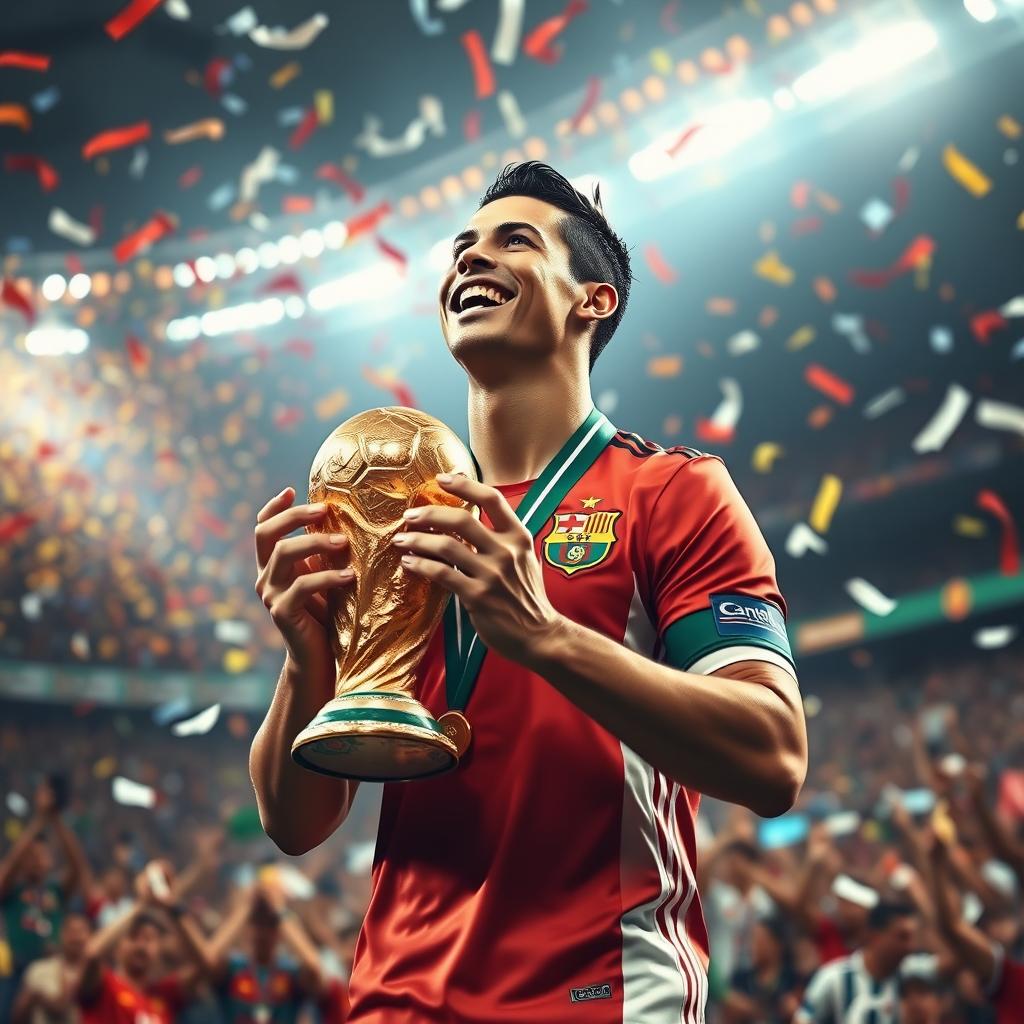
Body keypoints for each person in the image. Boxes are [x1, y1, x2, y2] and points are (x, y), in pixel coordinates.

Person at [250, 160, 807, 1023]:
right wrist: (305, 658)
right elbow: (296, 821)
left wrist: (544, 634)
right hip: (391, 1002)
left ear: (595, 300)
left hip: (597, 996)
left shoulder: (672, 492)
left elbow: (773, 758)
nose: (471, 259)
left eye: (516, 240)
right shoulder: (393, 512)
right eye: (462, 246)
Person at [74, 862, 212, 1024]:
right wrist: (141, 904)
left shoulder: (163, 995)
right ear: (117, 947)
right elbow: (91, 953)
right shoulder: (104, 985)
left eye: (149, 939)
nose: (141, 945)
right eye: (133, 937)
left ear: (159, 950)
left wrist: (173, 907)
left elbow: (205, 966)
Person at [0, 778, 89, 1022]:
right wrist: (38, 821)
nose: (37, 860)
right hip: (16, 971)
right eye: (31, 856)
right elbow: (7, 870)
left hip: (52, 969)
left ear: (51, 861)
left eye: (42, 855)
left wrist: (56, 820)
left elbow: (77, 866)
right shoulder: (13, 890)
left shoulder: (56, 890)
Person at [202, 878, 325, 1024]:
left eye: (270, 924)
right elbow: (205, 960)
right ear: (247, 926)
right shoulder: (233, 967)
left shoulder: (290, 971)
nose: (263, 932)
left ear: (279, 930)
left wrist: (279, 909)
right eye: (257, 922)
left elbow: (314, 966)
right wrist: (245, 908)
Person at [794, 901, 920, 1023]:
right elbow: (803, 1019)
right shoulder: (834, 977)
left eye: (913, 938)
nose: (910, 946)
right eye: (902, 937)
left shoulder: (911, 976)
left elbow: (938, 965)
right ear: (876, 936)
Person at [11, 910, 91, 1024]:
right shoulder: (38, 970)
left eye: (81, 931)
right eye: (71, 931)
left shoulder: (98, 975)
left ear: (90, 935)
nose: (76, 937)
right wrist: (34, 998)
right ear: (61, 934)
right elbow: (17, 1018)